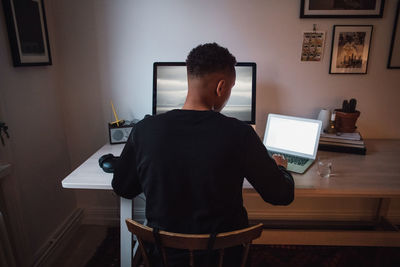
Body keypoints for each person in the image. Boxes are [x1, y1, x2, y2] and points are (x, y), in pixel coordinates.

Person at [112, 43, 294, 266]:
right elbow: (281, 195)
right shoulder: (240, 134)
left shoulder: (144, 130)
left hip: (163, 257)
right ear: (221, 87)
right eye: (231, 88)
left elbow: (123, 187)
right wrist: (280, 167)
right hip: (224, 257)